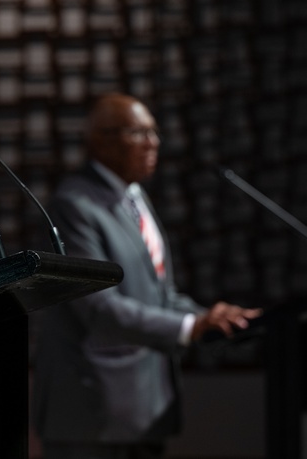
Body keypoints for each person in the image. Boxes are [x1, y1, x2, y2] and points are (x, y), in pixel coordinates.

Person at [32, 93, 261, 459]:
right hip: (93, 413)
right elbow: (97, 308)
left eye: (154, 132)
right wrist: (190, 326)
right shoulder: (74, 204)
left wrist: (211, 317)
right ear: (100, 140)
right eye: (138, 132)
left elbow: (158, 294)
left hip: (144, 409)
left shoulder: (135, 198)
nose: (153, 142)